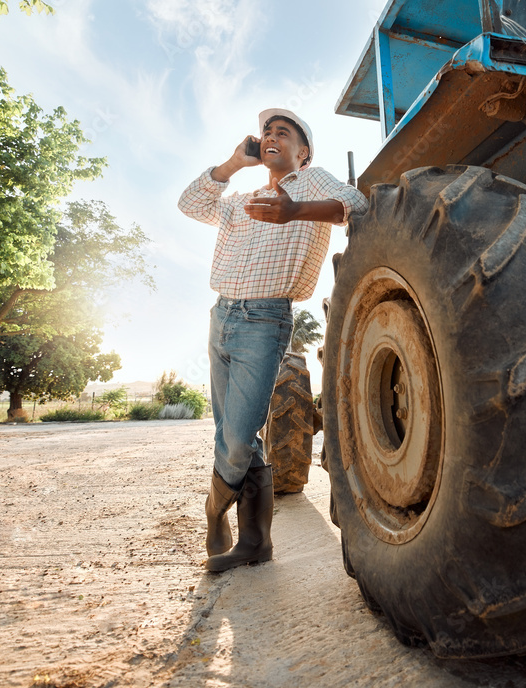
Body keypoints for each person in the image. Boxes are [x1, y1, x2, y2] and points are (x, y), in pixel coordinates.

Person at [178, 108, 367, 573]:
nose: (271, 136)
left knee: (239, 436)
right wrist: (231, 165)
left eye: (283, 132)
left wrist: (296, 211)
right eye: (266, 132)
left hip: (265, 319)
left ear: (302, 152)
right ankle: (256, 543)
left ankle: (213, 507)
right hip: (221, 315)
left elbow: (358, 206)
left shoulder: (312, 181)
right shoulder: (242, 196)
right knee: (233, 432)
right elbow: (190, 205)